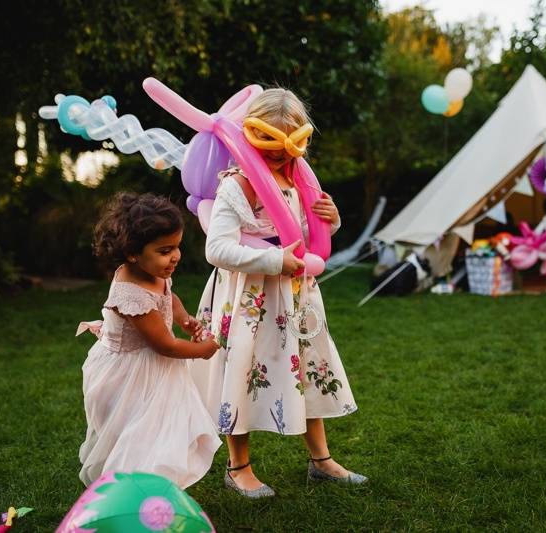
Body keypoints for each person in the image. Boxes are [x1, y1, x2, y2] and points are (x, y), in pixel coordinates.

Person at [190, 88, 366, 499]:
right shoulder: (238, 184)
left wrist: (331, 221)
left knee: (305, 368)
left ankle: (321, 460)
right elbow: (216, 249)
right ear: (252, 134)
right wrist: (274, 261)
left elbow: (308, 240)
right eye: (270, 143)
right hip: (249, 298)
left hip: (295, 297)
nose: (279, 154)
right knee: (243, 372)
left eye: (288, 145)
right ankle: (239, 468)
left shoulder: (300, 182)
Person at [77, 192, 221, 488]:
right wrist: (202, 350)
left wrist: (183, 318)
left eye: (177, 247)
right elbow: (165, 346)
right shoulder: (130, 294)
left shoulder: (155, 269)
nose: (175, 257)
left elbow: (169, 296)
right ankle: (132, 489)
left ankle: (156, 485)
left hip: (154, 369)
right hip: (127, 375)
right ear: (132, 253)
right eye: (166, 250)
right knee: (137, 434)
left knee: (160, 431)